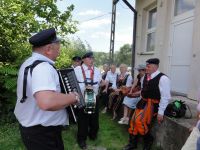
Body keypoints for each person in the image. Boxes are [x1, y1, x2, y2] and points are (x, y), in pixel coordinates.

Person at [14, 28, 79, 150]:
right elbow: (46, 102)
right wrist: (72, 97)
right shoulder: (43, 67)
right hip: (43, 134)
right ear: (49, 49)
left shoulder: (28, 62)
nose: (59, 52)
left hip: (34, 130)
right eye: (58, 48)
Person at [123, 58, 171, 150]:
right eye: (146, 66)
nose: (146, 68)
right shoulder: (145, 76)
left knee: (139, 121)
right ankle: (132, 143)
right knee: (133, 121)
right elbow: (143, 91)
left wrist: (161, 112)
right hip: (143, 102)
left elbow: (165, 97)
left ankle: (148, 140)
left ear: (155, 67)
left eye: (148, 66)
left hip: (153, 105)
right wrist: (133, 94)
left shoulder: (163, 78)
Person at [74, 51, 102, 149]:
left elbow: (99, 82)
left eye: (92, 58)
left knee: (94, 118)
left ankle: (92, 135)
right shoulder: (77, 69)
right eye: (89, 58)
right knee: (83, 120)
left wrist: (102, 84)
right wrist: (82, 88)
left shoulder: (97, 70)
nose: (92, 60)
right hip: (82, 97)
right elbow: (74, 83)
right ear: (83, 60)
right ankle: (81, 139)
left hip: (93, 96)